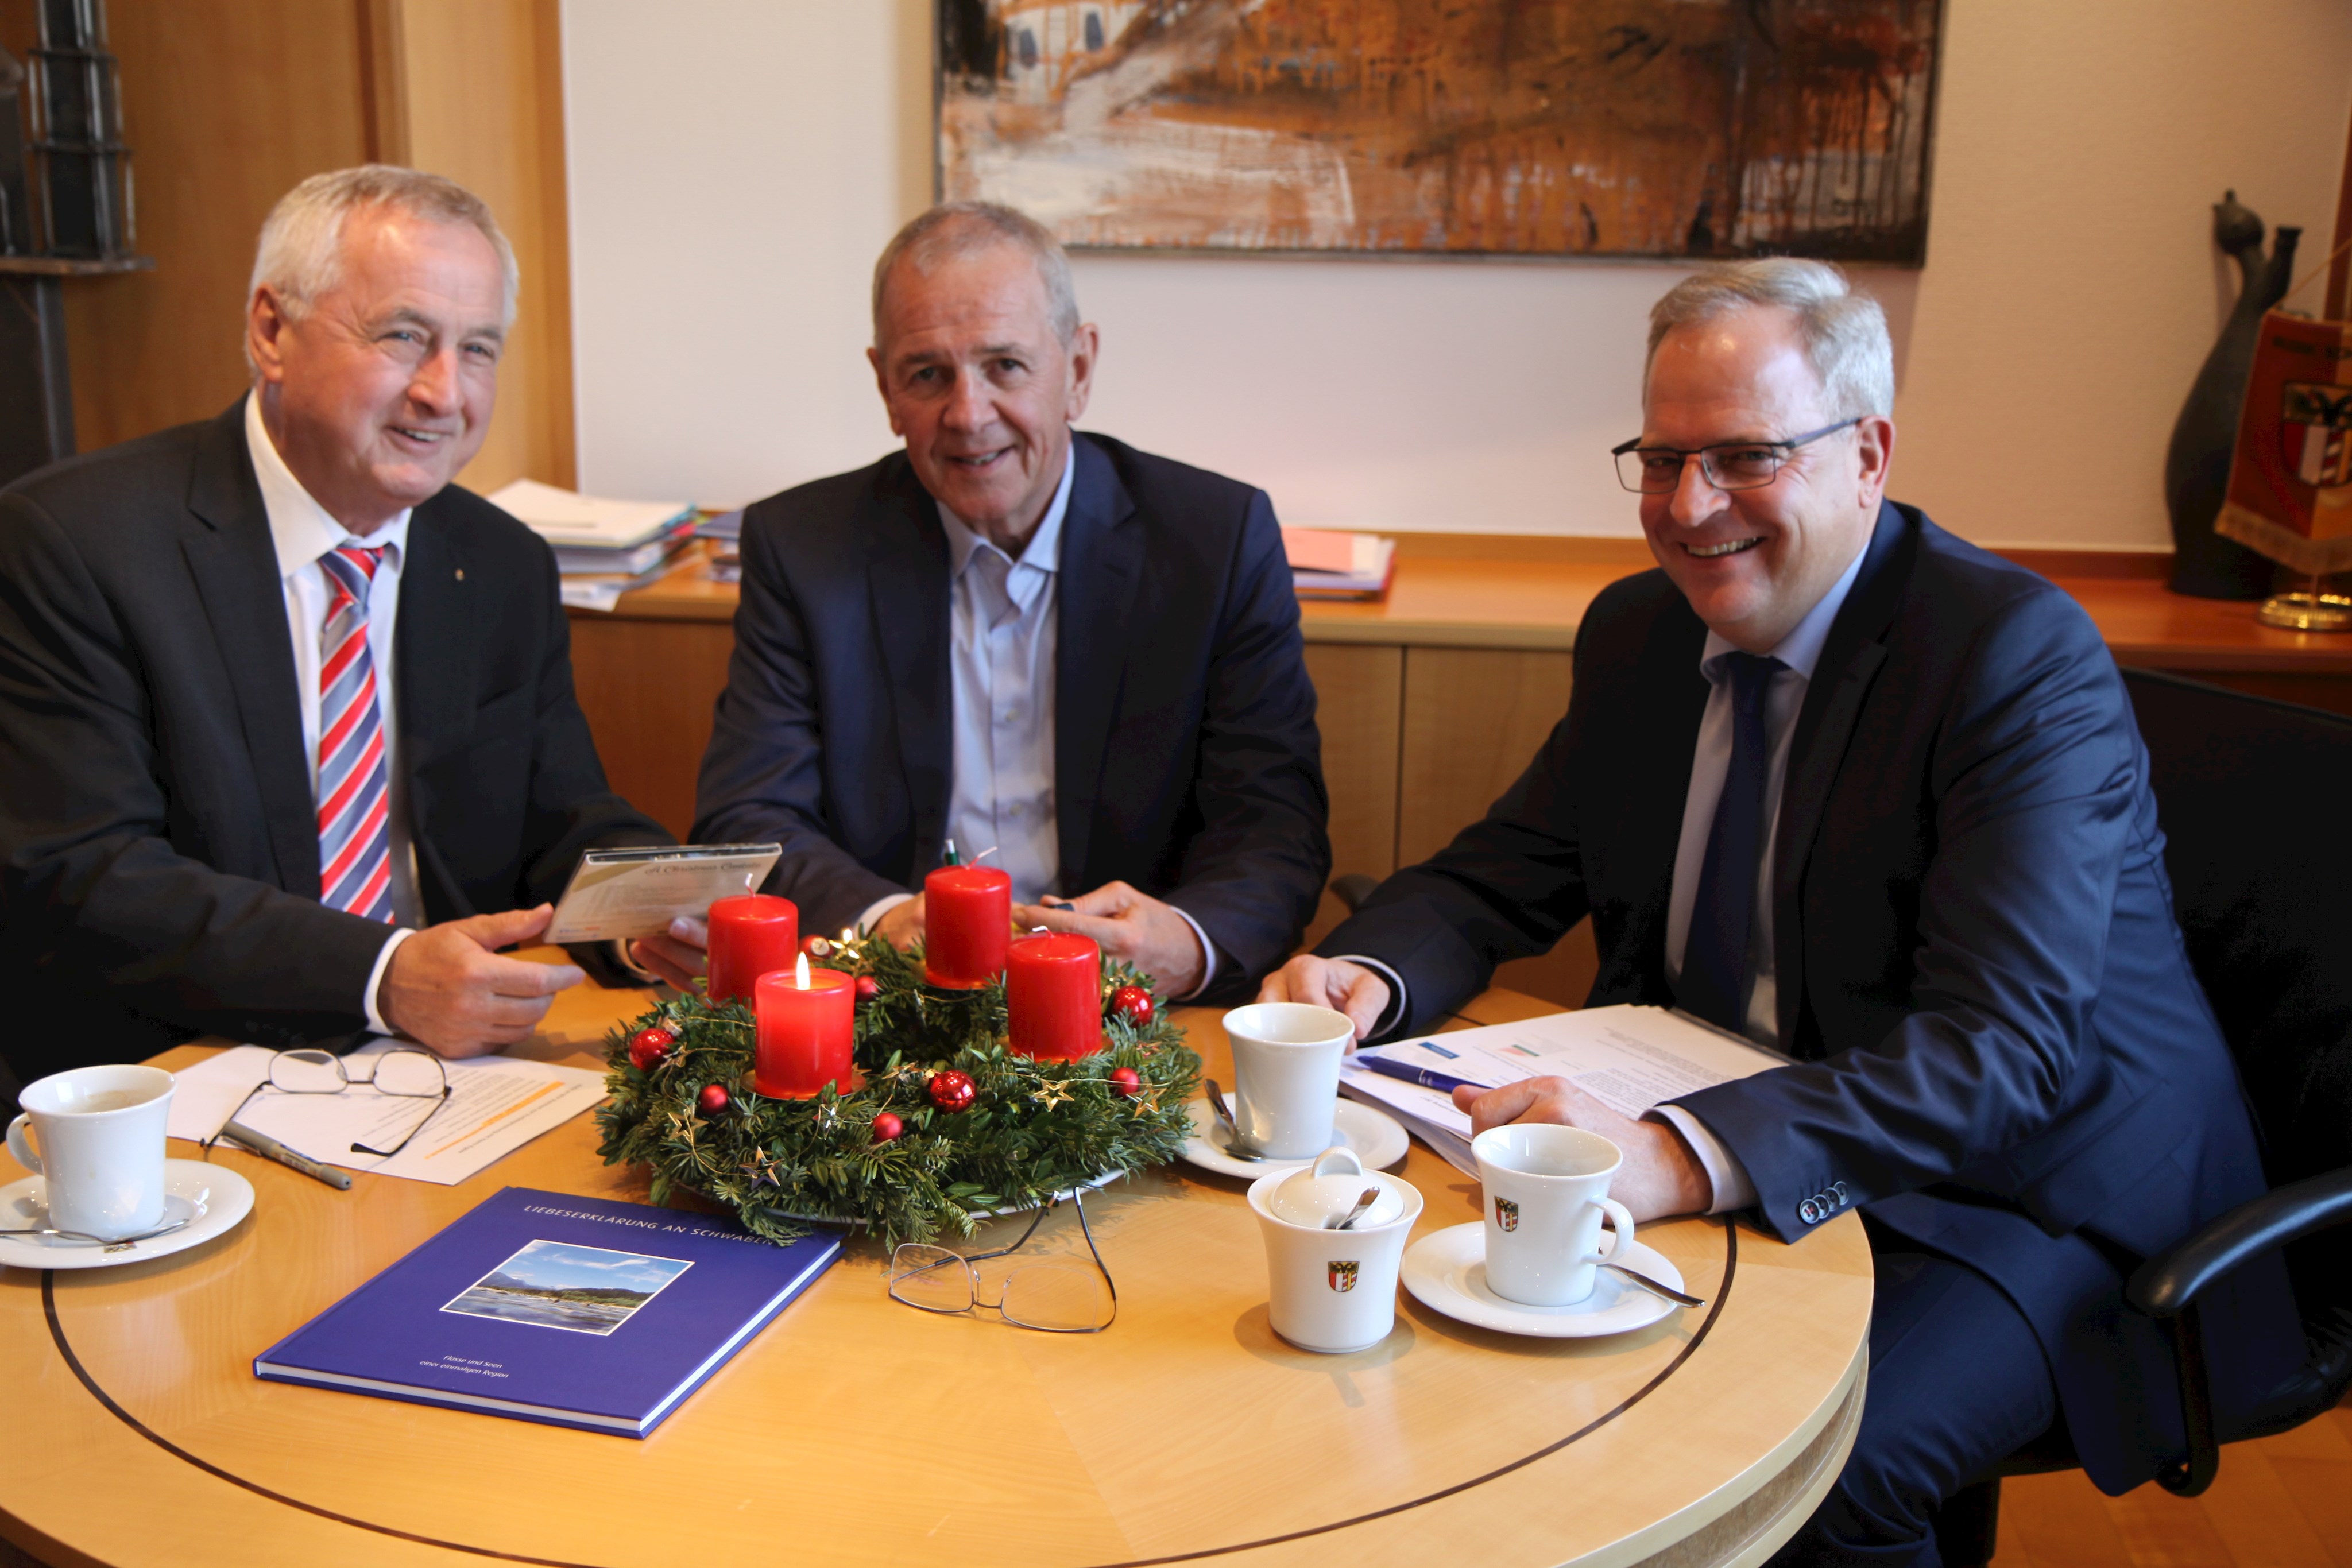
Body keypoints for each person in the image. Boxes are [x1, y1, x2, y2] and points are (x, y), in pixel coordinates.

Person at [1260, 260, 2300, 1561]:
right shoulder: (1640, 633)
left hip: (2025, 1185)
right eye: (1660, 457)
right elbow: (1501, 867)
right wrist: (1366, 968)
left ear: (1865, 454)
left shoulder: (2007, 658)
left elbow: (2000, 1053)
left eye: (1743, 456)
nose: (1688, 508)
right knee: (1507, 1389)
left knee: (1817, 1467)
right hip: (1755, 1112)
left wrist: (1681, 1153)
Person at [0, 165, 670, 1101]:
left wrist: (651, 917)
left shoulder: (500, 558)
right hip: (173, 1073)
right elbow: (87, 876)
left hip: (449, 1075)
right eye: (405, 336)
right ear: (271, 331)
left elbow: (555, 817)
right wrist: (381, 974)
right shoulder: (77, 544)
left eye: (478, 349)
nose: (446, 393)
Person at [680, 203, 1327, 1004]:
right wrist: (884, 923)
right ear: (885, 387)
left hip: (1133, 1019)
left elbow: (1275, 830)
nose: (968, 414)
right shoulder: (803, 545)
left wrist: (1185, 945)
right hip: (892, 1006)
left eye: (1005, 367)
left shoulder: (1214, 540)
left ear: (1079, 369)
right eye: (928, 374)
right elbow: (750, 820)